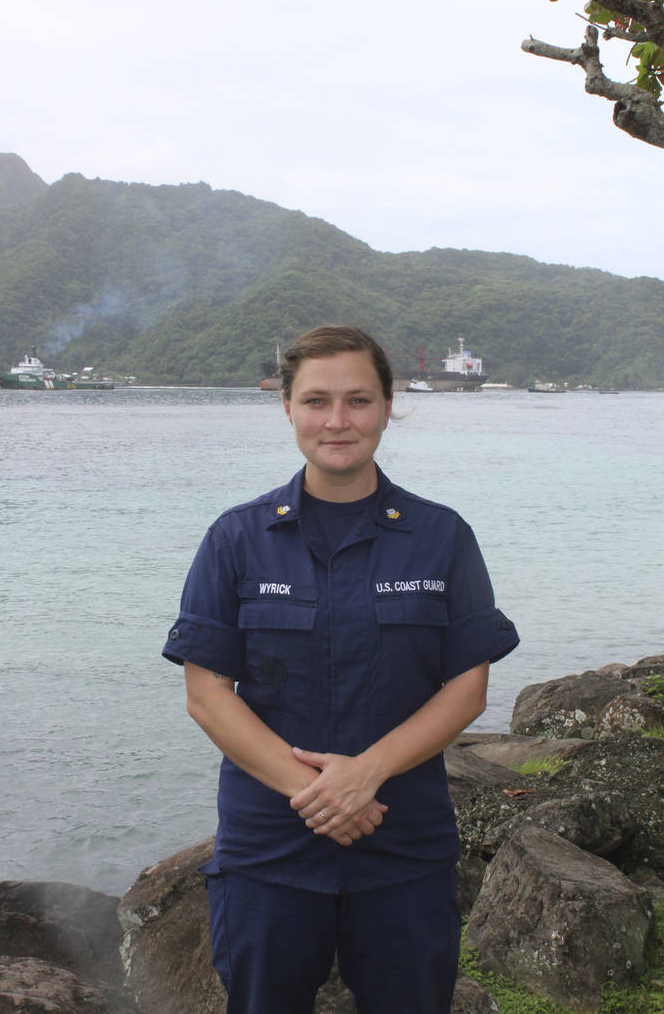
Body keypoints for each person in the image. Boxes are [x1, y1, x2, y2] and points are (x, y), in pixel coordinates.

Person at [162, 325, 519, 1014]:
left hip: (402, 845)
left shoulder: (442, 536)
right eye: (317, 400)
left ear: (388, 406)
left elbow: (467, 687)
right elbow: (207, 694)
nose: (337, 421)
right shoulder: (236, 538)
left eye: (358, 400)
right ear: (287, 409)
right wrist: (319, 793)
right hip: (270, 852)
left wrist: (366, 774)